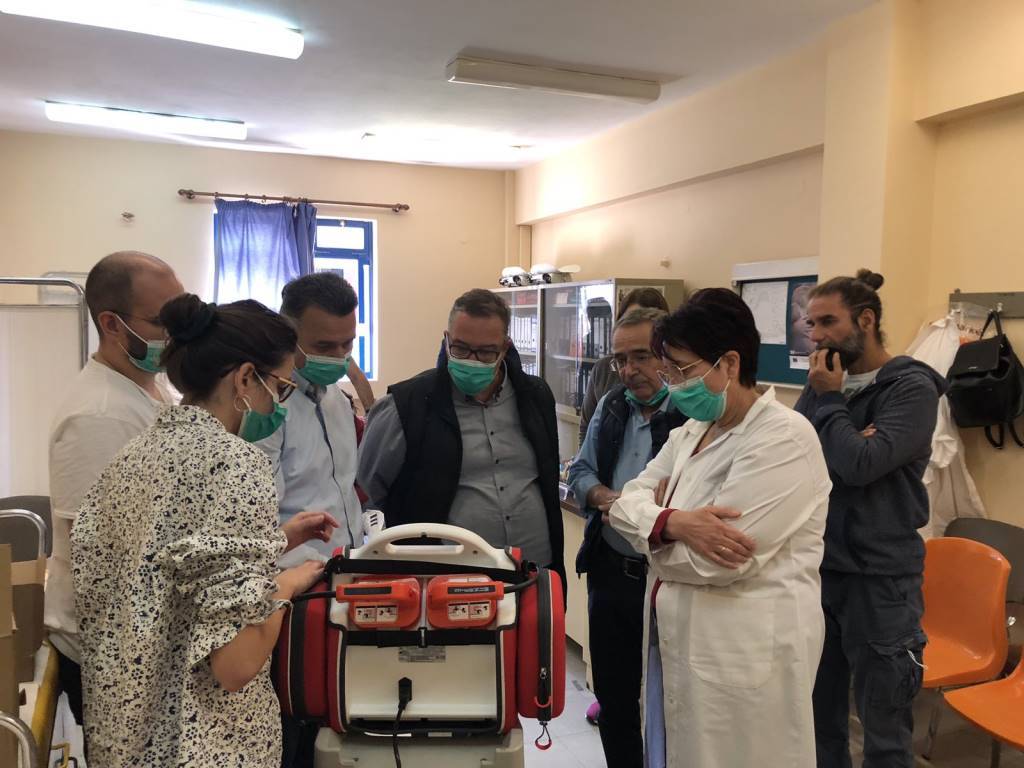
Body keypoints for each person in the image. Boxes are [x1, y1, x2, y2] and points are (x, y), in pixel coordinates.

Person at [72, 294, 336, 767]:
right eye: (281, 387)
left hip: (127, 734)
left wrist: (275, 541)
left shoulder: (134, 456)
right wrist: (286, 584)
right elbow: (236, 664)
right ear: (245, 378)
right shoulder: (236, 465)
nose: (280, 403)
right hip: (203, 742)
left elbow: (167, 571)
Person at [609, 288, 832, 768]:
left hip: (742, 652)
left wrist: (654, 534)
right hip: (678, 641)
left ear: (729, 363)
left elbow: (721, 562)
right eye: (668, 373)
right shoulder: (690, 432)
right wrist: (673, 522)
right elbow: (623, 506)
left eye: (682, 371)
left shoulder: (784, 438)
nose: (673, 385)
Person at [795, 270, 945, 768]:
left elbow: (859, 466)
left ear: (865, 321)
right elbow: (797, 454)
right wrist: (848, 436)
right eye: (811, 324)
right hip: (822, 571)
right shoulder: (821, 383)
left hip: (882, 582)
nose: (816, 336)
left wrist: (832, 405)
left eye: (828, 322)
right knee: (821, 720)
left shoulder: (911, 388)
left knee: (884, 731)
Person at [46, 251, 183, 734]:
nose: (177, 333)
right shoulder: (99, 416)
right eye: (163, 322)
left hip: (146, 638)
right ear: (111, 324)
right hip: (112, 650)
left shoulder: (153, 388)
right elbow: (101, 558)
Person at [358, 288, 564, 580]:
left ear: (505, 348)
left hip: (532, 570)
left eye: (486, 352)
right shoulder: (407, 405)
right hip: (445, 578)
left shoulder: (535, 396)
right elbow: (367, 494)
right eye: (461, 348)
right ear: (446, 340)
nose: (472, 360)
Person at [568, 307, 686, 768]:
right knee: (614, 697)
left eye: (641, 356)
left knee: (669, 701)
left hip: (668, 580)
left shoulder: (689, 415)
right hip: (611, 571)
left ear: (668, 356)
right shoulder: (612, 404)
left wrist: (641, 514)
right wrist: (608, 499)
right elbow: (580, 472)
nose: (628, 370)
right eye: (620, 359)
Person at [258, 273, 366, 567]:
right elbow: (259, 517)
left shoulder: (337, 398)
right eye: (324, 347)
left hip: (348, 563)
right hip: (293, 573)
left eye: (347, 344)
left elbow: (344, 487)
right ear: (288, 335)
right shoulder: (266, 408)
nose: (339, 356)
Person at [579, 287, 671, 444]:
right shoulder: (608, 393)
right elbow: (587, 431)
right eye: (629, 320)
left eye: (642, 357)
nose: (629, 371)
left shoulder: (681, 400)